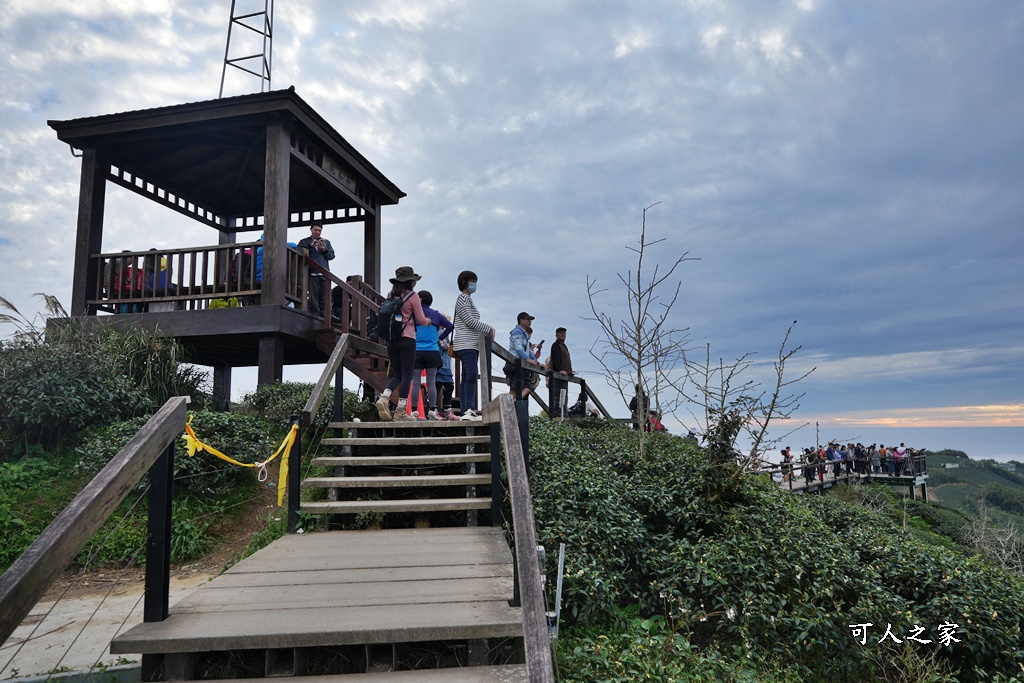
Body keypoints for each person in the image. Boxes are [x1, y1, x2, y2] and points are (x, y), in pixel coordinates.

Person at [374, 266, 430, 422]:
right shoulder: (413, 297)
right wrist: (429, 322)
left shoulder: (390, 295)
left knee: (396, 374)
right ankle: (400, 412)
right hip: (407, 339)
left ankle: (384, 398)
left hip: (391, 340)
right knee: (407, 376)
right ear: (411, 282)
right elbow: (421, 319)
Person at [452, 270, 495, 421]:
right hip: (466, 343)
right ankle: (468, 408)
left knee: (467, 376)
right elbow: (469, 321)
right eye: (472, 281)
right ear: (464, 282)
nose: (474, 284)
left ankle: (466, 409)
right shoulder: (462, 299)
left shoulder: (468, 300)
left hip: (471, 343)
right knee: (470, 374)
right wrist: (488, 329)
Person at [409, 290, 453, 421]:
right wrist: (440, 337)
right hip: (433, 351)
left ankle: (414, 411)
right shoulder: (436, 314)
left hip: (416, 351)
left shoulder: (414, 314)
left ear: (420, 300)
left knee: (415, 382)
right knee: (431, 382)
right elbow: (450, 326)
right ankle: (433, 410)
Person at [297, 223, 335, 317]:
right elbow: (299, 252)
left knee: (327, 295)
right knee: (313, 295)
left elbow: (332, 256)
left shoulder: (326, 242)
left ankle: (329, 313)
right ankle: (314, 312)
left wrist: (324, 250)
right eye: (316, 230)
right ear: (311, 229)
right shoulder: (305, 241)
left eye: (319, 230)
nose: (317, 232)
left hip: (324, 272)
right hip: (311, 272)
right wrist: (310, 246)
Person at [507, 312, 541, 401]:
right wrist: (528, 359)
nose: (530, 322)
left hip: (522, 365)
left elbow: (528, 351)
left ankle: (513, 404)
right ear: (521, 320)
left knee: (527, 387)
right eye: (528, 319)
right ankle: (506, 406)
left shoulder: (524, 335)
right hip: (516, 364)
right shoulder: (517, 332)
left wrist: (537, 363)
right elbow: (518, 348)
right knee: (514, 389)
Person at [548, 327, 573, 418]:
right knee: (558, 395)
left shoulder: (564, 346)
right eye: (561, 333)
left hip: (565, 375)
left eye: (564, 333)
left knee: (564, 395)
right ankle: (558, 415)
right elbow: (556, 359)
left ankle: (564, 414)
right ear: (556, 335)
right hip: (558, 374)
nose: (563, 335)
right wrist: (559, 370)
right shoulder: (555, 345)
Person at [436, 337, 457, 420]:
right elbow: (444, 345)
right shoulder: (440, 331)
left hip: (445, 365)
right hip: (441, 364)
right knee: (437, 386)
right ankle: (433, 409)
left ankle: (447, 409)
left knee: (449, 387)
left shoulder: (445, 332)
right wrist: (453, 346)